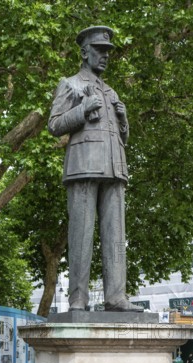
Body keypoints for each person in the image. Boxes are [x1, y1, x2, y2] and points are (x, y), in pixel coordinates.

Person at [48, 26, 143, 313]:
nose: (105, 57)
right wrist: (83, 108)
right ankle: (78, 299)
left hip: (114, 168)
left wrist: (124, 120)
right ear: (84, 52)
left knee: (116, 236)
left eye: (108, 53)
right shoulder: (71, 84)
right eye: (100, 51)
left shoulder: (111, 92)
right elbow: (55, 125)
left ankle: (116, 297)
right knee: (81, 235)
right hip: (83, 166)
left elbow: (121, 137)